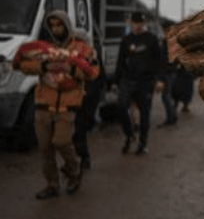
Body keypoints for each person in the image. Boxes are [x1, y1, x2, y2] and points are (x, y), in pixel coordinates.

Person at [12, 10, 99, 199]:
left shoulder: (82, 49)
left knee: (62, 142)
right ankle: (52, 184)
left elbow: (92, 71)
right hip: (43, 103)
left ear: (66, 25)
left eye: (59, 25)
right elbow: (22, 66)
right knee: (45, 148)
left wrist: (71, 68)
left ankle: (74, 170)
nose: (56, 29)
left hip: (67, 106)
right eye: (52, 26)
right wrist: (44, 66)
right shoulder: (42, 48)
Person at [112, 11, 165, 155]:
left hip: (145, 82)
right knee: (121, 107)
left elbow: (160, 61)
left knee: (145, 114)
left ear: (144, 23)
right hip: (128, 80)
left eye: (140, 23)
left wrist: (160, 79)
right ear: (131, 23)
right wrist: (116, 81)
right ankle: (129, 135)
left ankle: (143, 142)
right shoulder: (126, 40)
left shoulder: (152, 39)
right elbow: (120, 61)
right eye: (135, 23)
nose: (137, 26)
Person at [71, 28, 106, 170]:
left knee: (79, 129)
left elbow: (99, 78)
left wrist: (89, 93)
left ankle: (84, 158)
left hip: (87, 98)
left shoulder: (92, 57)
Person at [157, 37, 178, 128]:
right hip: (171, 72)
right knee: (167, 96)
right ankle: (173, 116)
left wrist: (160, 77)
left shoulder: (166, 44)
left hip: (166, 73)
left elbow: (162, 60)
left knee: (166, 96)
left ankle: (171, 118)